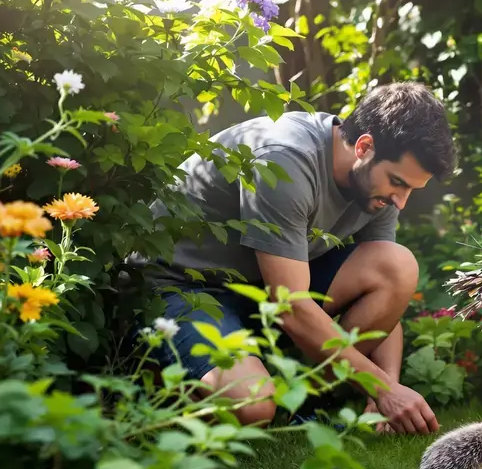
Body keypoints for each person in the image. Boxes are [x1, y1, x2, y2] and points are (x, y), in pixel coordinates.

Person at [140, 82, 454, 434]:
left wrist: (383, 393)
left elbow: (389, 297)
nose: (401, 201)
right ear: (365, 146)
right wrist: (383, 389)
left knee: (396, 264)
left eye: (411, 188)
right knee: (251, 405)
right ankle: (151, 387)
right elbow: (288, 306)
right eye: (398, 182)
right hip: (182, 288)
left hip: (260, 289)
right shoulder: (286, 159)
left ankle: (302, 403)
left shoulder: (377, 189)